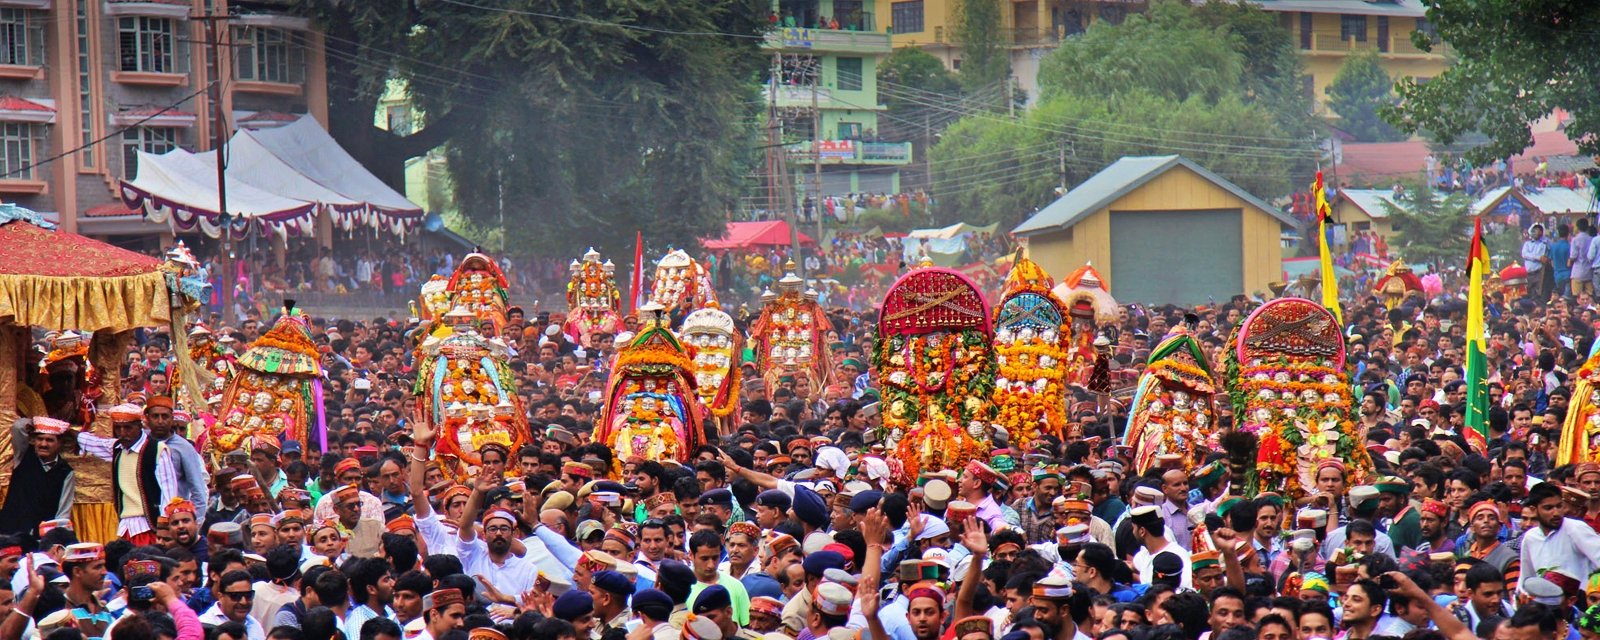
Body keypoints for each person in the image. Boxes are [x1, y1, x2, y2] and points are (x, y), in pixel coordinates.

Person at [0, 416, 75, 543]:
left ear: (59, 443)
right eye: (39, 439)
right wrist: (36, 422)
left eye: (49, 440)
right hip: (9, 534)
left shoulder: (66, 472)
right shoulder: (23, 456)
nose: (43, 444)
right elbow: (18, 427)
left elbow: (63, 514)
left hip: (38, 540)